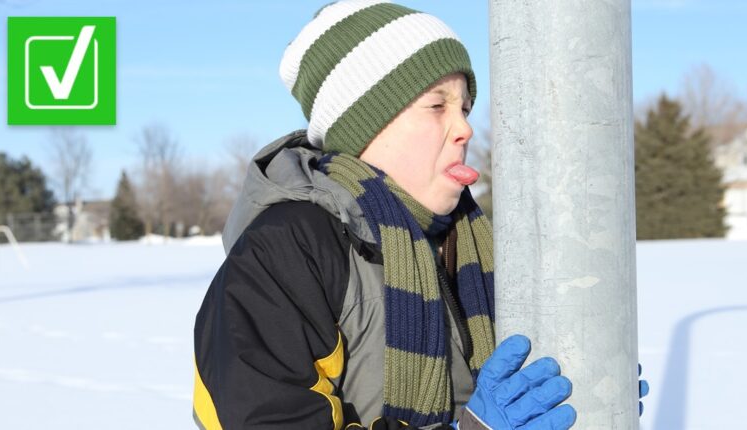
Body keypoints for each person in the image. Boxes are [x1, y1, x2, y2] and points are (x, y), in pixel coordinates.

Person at [193, 1, 643, 428]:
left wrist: (589, 388)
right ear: (363, 126)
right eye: (437, 106)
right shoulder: (287, 247)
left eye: (465, 107)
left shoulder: (471, 242)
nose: (465, 127)